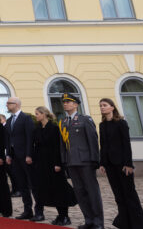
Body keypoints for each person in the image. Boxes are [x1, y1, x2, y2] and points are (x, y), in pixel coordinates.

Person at [99, 98, 143, 229]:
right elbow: (103, 145)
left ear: (112, 107)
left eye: (104, 105)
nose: (102, 108)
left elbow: (126, 144)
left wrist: (128, 164)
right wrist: (102, 163)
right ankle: (125, 223)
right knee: (118, 196)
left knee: (130, 194)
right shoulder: (102, 125)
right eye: (100, 106)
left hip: (122, 164)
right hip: (110, 165)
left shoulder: (121, 123)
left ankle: (140, 225)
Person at [59, 93, 103, 229]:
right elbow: (62, 145)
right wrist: (64, 161)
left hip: (85, 162)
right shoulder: (63, 122)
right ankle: (88, 220)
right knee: (80, 193)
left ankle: (98, 222)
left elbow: (93, 141)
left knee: (92, 192)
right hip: (71, 162)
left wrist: (95, 160)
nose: (65, 104)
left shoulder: (85, 120)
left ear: (75, 104)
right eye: (64, 102)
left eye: (68, 101)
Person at [33, 106, 76, 226]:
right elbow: (36, 146)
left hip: (54, 163)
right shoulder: (37, 129)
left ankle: (65, 216)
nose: (36, 116)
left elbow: (58, 147)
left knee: (59, 190)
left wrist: (58, 163)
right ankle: (60, 215)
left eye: (37, 114)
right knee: (50, 190)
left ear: (44, 114)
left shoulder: (54, 128)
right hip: (42, 163)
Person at [5, 96, 35, 220]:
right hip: (14, 157)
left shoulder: (26, 118)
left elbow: (30, 137)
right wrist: (8, 154)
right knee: (22, 185)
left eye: (9, 103)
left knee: (33, 185)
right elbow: (7, 139)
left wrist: (29, 154)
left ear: (16, 104)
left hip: (25, 156)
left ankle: (39, 210)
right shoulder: (9, 120)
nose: (7, 105)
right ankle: (27, 210)